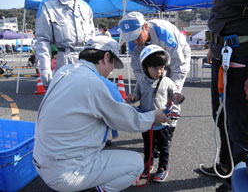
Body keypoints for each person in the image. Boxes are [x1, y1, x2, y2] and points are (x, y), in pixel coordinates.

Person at [33, 36, 170, 192]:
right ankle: (98, 189)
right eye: (112, 63)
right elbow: (127, 120)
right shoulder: (93, 82)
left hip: (41, 163)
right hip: (66, 172)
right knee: (136, 164)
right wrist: (153, 116)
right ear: (106, 57)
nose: (111, 70)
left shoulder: (64, 71)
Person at [199, 0, 248, 191]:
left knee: (239, 127)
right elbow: (221, 12)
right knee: (220, 118)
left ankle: (237, 183)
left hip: (244, 58)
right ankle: (225, 166)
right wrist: (213, 45)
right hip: (222, 55)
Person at [118, 11, 191, 140]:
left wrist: (174, 89)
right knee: (153, 97)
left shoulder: (164, 33)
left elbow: (178, 66)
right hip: (152, 62)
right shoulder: (133, 42)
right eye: (130, 38)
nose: (134, 41)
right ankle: (153, 128)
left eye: (137, 36)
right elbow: (138, 70)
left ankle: (168, 132)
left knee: (170, 96)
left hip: (176, 58)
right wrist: (145, 88)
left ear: (145, 27)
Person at [126, 44, 185, 182]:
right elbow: (137, 94)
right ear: (145, 67)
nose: (159, 71)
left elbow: (175, 96)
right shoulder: (141, 81)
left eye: (162, 67)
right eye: (155, 68)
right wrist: (133, 97)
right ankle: (148, 166)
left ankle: (163, 168)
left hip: (162, 121)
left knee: (163, 147)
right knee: (148, 146)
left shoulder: (167, 81)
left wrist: (178, 97)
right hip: (146, 120)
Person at [34, 0, 95, 87]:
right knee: (66, 98)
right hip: (64, 61)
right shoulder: (48, 4)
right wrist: (45, 67)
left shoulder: (85, 6)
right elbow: (42, 39)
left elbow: (93, 38)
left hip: (86, 60)